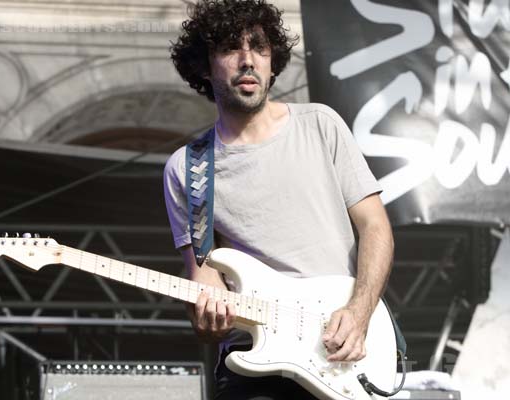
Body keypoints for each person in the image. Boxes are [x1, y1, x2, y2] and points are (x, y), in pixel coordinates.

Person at [163, 0, 394, 399]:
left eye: (260, 47)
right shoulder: (186, 168)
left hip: (342, 350)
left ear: (273, 63)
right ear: (204, 65)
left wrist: (359, 312)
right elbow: (203, 279)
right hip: (253, 362)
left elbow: (376, 227)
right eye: (231, 48)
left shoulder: (321, 125)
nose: (248, 60)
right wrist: (206, 318)